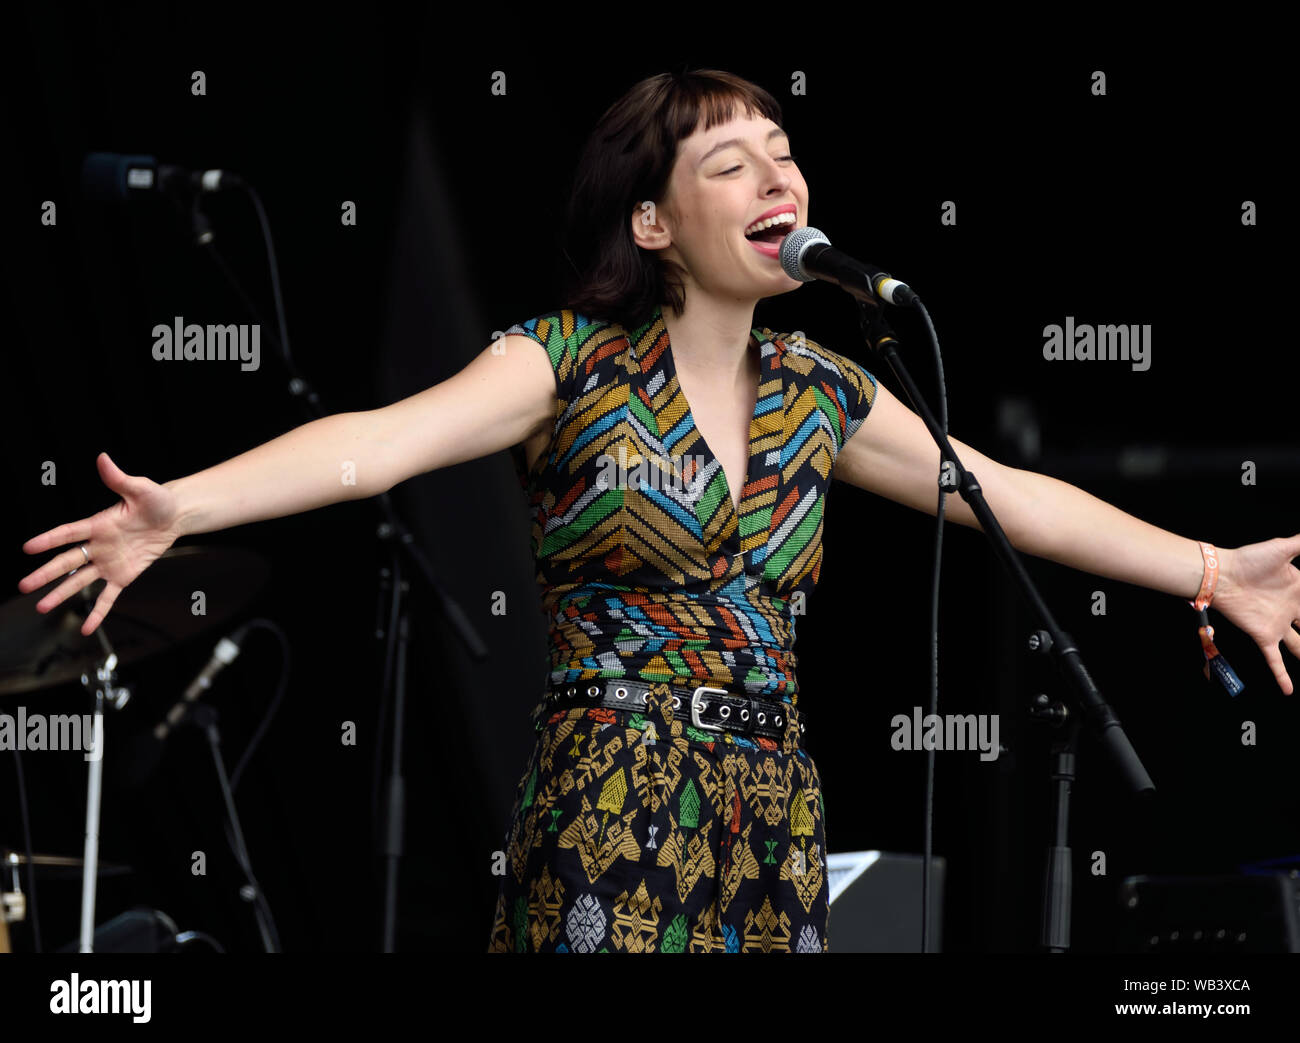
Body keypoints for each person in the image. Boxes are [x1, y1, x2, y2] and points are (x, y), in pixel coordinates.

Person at [17, 70, 1300, 954]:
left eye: (782, 155)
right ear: (654, 221)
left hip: (770, 798)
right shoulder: (566, 360)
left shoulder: (822, 390)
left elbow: (1003, 494)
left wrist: (1210, 570)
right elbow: (376, 447)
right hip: (613, 788)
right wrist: (181, 506)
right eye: (728, 162)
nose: (773, 176)